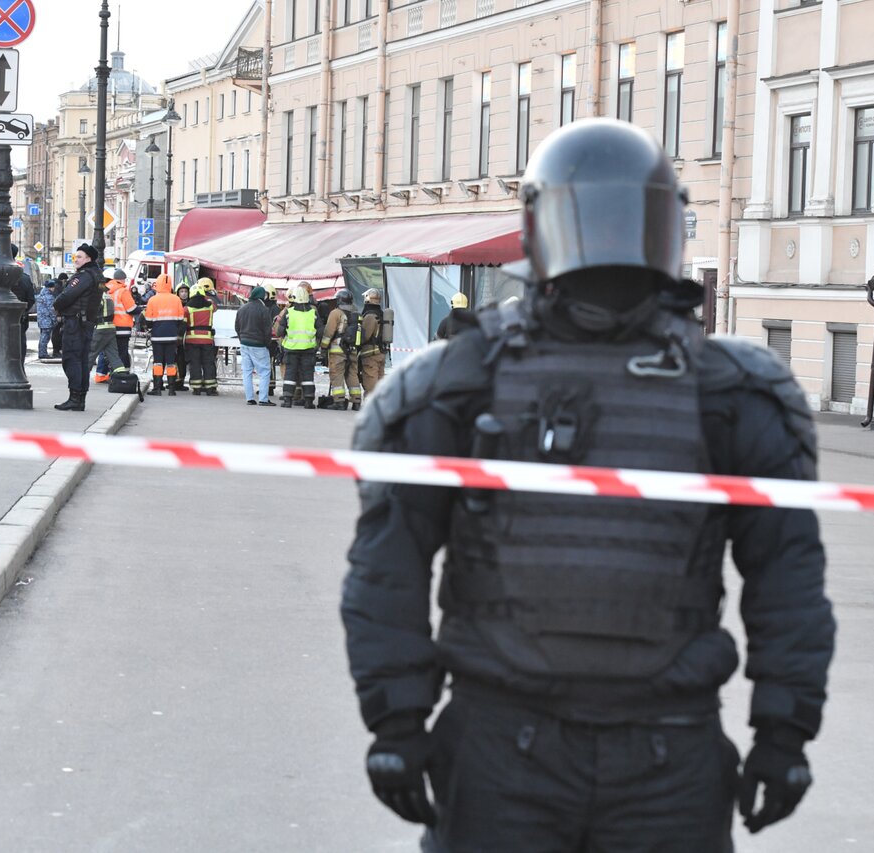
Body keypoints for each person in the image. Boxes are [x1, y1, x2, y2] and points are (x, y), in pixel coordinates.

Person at [341, 118, 835, 851]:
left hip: (663, 748)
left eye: (626, 219)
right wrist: (396, 718)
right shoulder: (466, 379)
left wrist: (785, 729)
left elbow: (787, 574)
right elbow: (390, 562)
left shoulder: (725, 391)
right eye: (592, 219)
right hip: (505, 742)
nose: (609, 241)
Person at [52, 244, 104, 411]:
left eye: (79, 257)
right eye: (75, 256)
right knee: (81, 360)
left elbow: (67, 295)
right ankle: (80, 398)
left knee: (71, 359)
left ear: (88, 259)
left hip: (75, 323)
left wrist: (56, 304)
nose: (76, 259)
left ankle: (75, 398)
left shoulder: (84, 276)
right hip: (86, 322)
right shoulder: (98, 275)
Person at [277, 281, 319, 408]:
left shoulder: (289, 312)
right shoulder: (313, 313)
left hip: (291, 349)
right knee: (307, 375)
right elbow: (321, 330)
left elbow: (279, 330)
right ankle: (308, 402)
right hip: (308, 350)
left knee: (290, 374)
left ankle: (288, 400)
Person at [320, 289, 362, 410]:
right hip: (353, 350)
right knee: (352, 374)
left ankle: (339, 401)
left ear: (339, 300)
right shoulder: (356, 314)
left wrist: (323, 348)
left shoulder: (336, 313)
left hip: (337, 351)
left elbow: (328, 332)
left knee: (336, 374)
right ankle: (357, 402)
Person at [236, 286, 277, 406]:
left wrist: (242, 339)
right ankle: (263, 399)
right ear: (262, 296)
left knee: (247, 372)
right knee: (264, 372)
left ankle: (250, 398)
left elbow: (237, 327)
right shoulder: (263, 309)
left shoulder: (242, 309)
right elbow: (267, 330)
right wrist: (266, 343)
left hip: (244, 344)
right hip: (259, 345)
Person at [145, 273, 184, 396]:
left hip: (157, 336)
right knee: (171, 362)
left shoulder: (152, 299)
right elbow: (180, 319)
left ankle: (157, 387)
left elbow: (148, 320)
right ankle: (172, 389)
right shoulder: (176, 299)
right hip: (172, 336)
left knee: (158, 362)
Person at [88, 277, 130, 385]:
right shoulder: (109, 297)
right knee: (113, 355)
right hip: (111, 328)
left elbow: (93, 312)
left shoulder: (98, 298)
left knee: (91, 353)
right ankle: (121, 377)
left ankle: (82, 376)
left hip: (101, 328)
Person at [184, 280, 219, 396]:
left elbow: (183, 324)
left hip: (192, 340)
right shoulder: (210, 306)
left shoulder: (187, 309)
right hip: (207, 339)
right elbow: (215, 305)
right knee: (208, 363)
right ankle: (210, 388)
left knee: (195, 363)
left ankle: (196, 388)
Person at [358, 288, 387, 401]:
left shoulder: (370, 316)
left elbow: (365, 336)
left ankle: (371, 405)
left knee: (371, 380)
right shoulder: (381, 314)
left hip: (371, 355)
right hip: (381, 353)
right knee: (380, 380)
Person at [10, 244, 36, 365]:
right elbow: (31, 298)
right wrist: (23, 311)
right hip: (19, 319)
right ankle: (19, 369)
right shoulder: (24, 277)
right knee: (19, 345)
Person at [110, 268, 137, 370]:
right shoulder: (123, 291)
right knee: (123, 351)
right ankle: (123, 374)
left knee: (113, 352)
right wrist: (140, 310)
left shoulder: (108, 290)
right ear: (122, 279)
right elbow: (131, 309)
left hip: (110, 326)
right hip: (123, 327)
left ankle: (113, 372)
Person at [173, 282, 193, 389]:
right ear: (178, 293)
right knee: (176, 359)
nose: (184, 294)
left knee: (184, 360)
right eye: (181, 291)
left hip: (188, 336)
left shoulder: (190, 304)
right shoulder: (176, 304)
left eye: (186, 291)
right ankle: (176, 381)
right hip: (177, 336)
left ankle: (181, 381)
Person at [34, 278, 56, 360]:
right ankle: (43, 353)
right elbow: (52, 310)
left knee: (43, 336)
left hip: (41, 319)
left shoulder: (40, 295)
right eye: (53, 287)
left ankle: (42, 352)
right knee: (45, 337)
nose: (54, 289)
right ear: (50, 287)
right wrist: (55, 320)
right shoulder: (49, 297)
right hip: (47, 320)